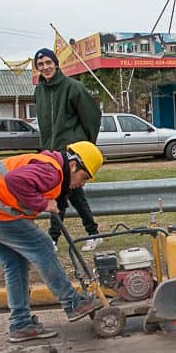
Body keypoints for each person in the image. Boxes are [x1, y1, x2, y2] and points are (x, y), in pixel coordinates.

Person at [0, 141, 105, 342]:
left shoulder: (49, 166)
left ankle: (21, 324)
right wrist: (43, 204)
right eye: (83, 177)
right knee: (43, 245)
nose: (82, 184)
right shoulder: (52, 171)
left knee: (15, 262)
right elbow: (15, 179)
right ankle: (73, 303)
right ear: (73, 165)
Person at [32, 47, 105, 251]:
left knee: (61, 194)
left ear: (56, 63)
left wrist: (86, 146)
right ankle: (93, 232)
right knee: (72, 194)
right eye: (41, 64)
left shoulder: (74, 87)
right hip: (51, 152)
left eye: (48, 62)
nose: (45, 67)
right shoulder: (39, 91)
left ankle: (53, 239)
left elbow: (92, 117)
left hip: (72, 152)